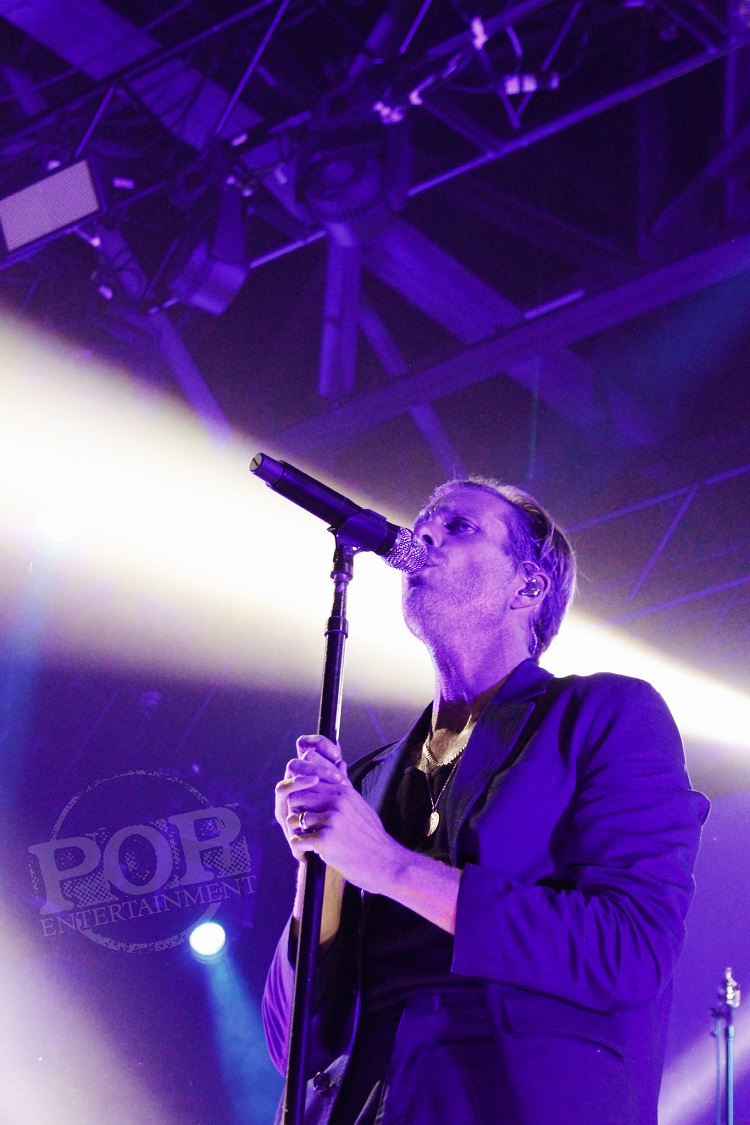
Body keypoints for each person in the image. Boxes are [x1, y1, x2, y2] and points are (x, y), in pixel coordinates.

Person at [263, 478, 709, 1125]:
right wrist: (320, 870)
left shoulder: (603, 714)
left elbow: (629, 947)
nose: (424, 533)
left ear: (528, 587)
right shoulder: (367, 778)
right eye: (425, 520)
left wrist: (388, 865)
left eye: (458, 526)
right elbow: (294, 1049)